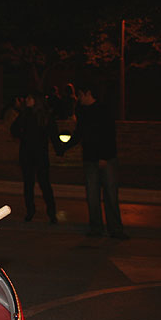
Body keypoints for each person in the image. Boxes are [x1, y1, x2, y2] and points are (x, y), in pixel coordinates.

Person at [60, 82, 128, 239]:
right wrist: (64, 148)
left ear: (88, 93)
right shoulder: (82, 111)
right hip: (90, 159)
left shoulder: (103, 109)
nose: (78, 98)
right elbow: (80, 133)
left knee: (110, 194)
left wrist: (104, 156)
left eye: (80, 94)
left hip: (106, 159)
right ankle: (96, 227)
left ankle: (115, 229)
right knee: (92, 195)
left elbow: (109, 134)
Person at [10, 93, 63, 223]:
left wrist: (59, 149)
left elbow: (53, 134)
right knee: (34, 184)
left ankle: (45, 212)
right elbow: (14, 129)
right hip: (32, 154)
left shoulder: (41, 116)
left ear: (36, 100)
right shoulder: (27, 114)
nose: (26, 100)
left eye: (29, 98)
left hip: (35, 154)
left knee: (40, 184)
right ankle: (37, 212)